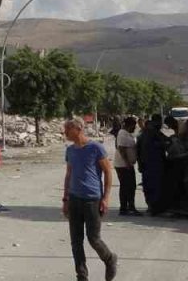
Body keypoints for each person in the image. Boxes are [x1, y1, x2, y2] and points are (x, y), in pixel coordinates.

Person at [62, 118, 119, 281]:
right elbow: (68, 174)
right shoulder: (70, 150)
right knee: (76, 242)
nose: (65, 132)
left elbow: (108, 172)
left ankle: (109, 259)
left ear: (78, 129)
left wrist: (106, 198)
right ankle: (82, 276)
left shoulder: (96, 148)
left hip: (92, 200)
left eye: (67, 129)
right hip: (74, 199)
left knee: (94, 238)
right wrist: (65, 199)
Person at [137, 113, 169, 215]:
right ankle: (155, 207)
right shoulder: (153, 132)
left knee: (148, 186)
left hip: (146, 164)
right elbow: (164, 142)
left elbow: (138, 149)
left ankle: (151, 206)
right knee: (156, 186)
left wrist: (140, 164)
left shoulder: (143, 133)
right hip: (154, 164)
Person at [113, 116, 140, 216]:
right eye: (134, 126)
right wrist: (127, 163)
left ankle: (128, 207)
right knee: (126, 186)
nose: (135, 128)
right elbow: (121, 149)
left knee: (130, 186)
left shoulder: (127, 134)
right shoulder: (122, 134)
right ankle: (126, 208)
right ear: (130, 125)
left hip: (126, 164)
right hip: (123, 165)